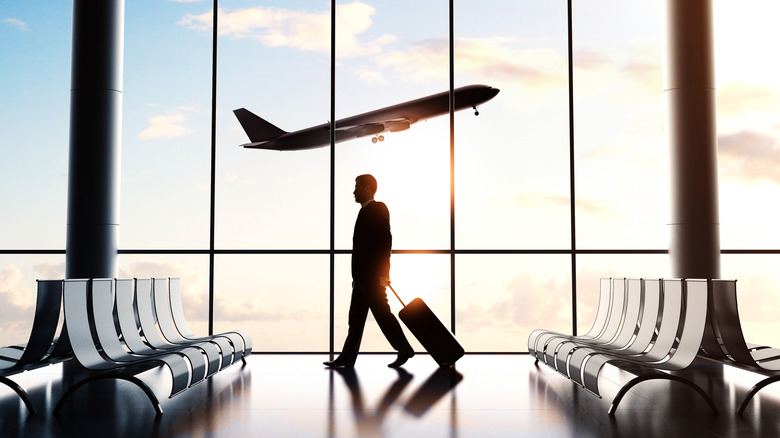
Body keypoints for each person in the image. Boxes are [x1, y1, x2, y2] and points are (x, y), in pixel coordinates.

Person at [324, 174, 415, 368]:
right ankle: (348, 357)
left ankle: (405, 349)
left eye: (357, 187)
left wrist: (384, 273)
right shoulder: (364, 211)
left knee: (382, 315)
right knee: (355, 319)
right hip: (361, 278)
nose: (354, 191)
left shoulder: (378, 208)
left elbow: (385, 242)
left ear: (367, 188)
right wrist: (356, 277)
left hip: (372, 277)